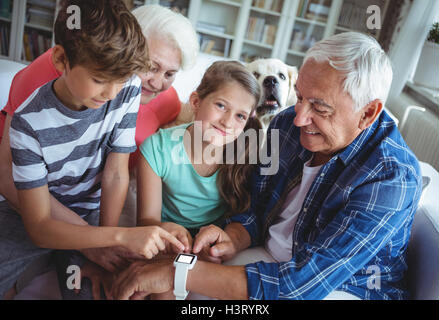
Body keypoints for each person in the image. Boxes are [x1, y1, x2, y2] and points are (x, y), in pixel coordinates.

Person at [111, 32, 422, 300]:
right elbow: (257, 208)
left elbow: (303, 284)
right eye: (300, 97)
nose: (299, 118)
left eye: (320, 108)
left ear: (368, 113)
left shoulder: (391, 176)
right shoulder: (288, 124)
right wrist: (234, 235)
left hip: (341, 287)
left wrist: (176, 273)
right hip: (271, 257)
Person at [0, 4, 198, 297]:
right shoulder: (29, 120)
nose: (111, 94)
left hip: (92, 213)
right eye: (152, 67)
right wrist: (106, 239)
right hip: (32, 206)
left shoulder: (127, 85)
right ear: (61, 59)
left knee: (102, 287)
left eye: (169, 73)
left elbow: (116, 173)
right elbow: (38, 224)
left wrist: (108, 243)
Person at [136, 61, 261, 299]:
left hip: (212, 243)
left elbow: (246, 218)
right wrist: (168, 229)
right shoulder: (158, 148)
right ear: (195, 102)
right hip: (168, 239)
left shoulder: (246, 155)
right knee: (161, 290)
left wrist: (218, 243)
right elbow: (145, 222)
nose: (227, 122)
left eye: (240, 116)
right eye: (221, 105)